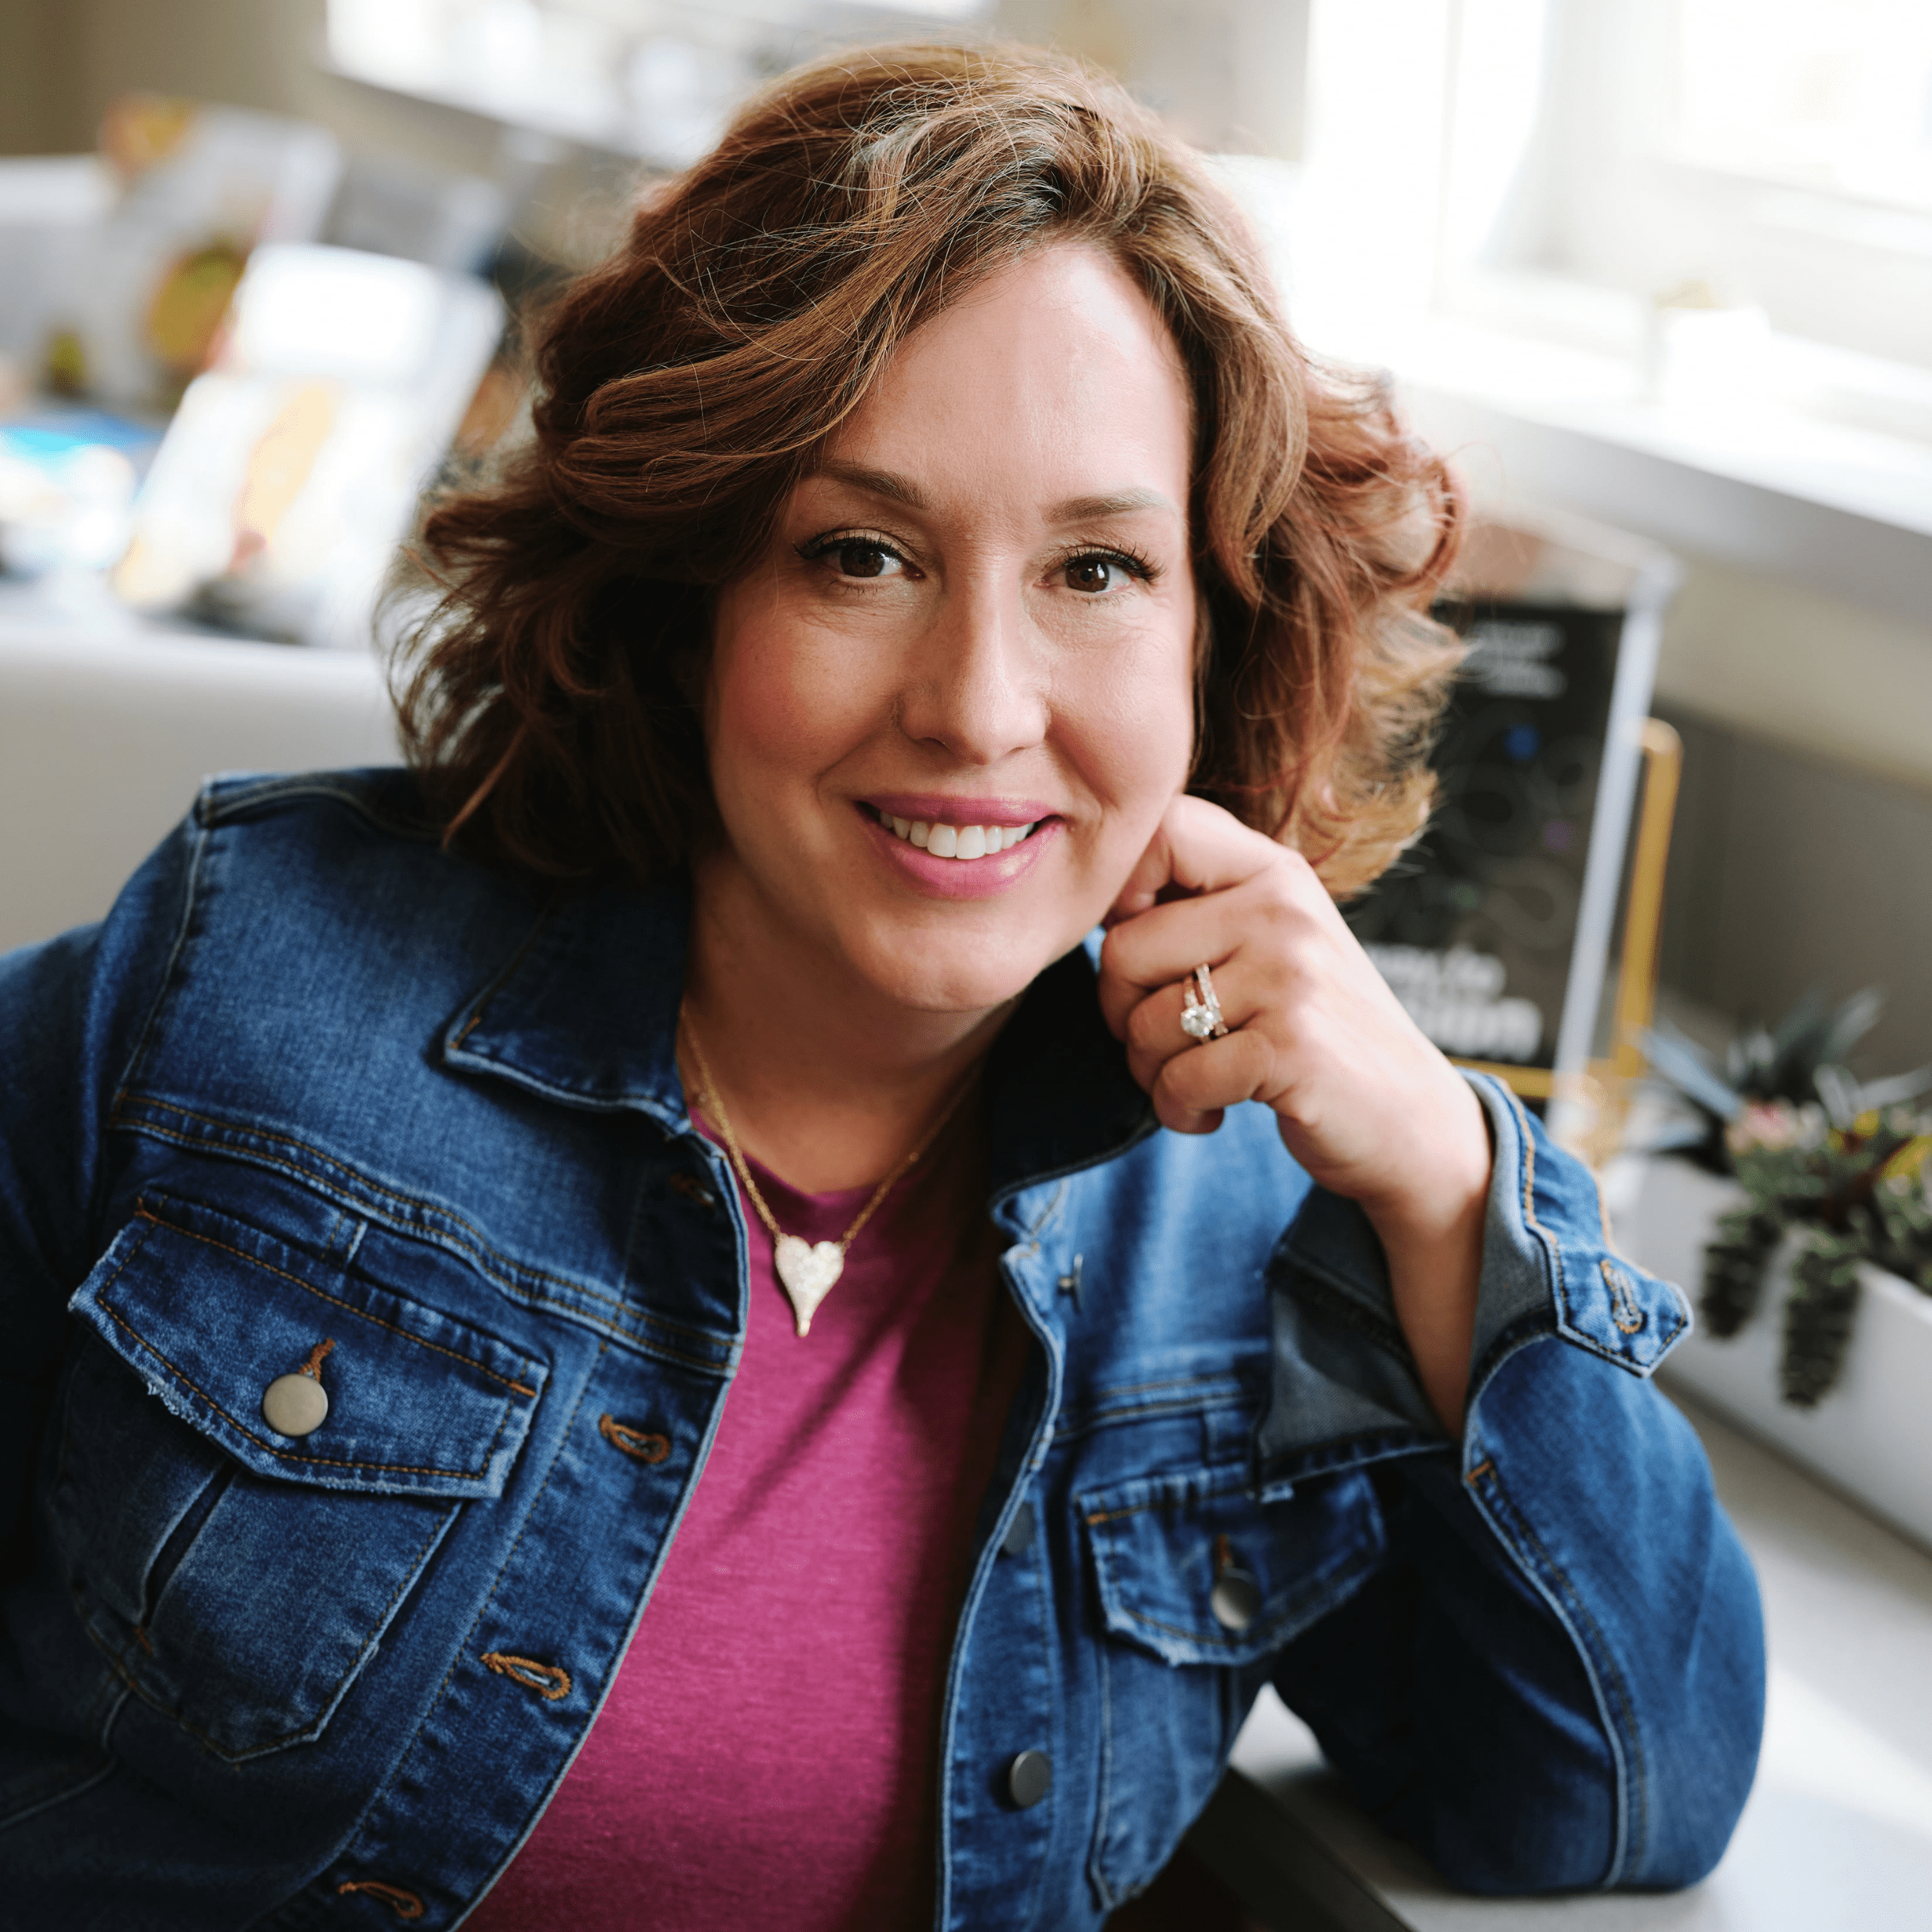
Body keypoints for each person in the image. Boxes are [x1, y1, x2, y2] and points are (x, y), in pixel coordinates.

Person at [0, 42, 1762, 1932]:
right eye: (861, 555)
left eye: (1094, 569)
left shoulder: (1254, 1216)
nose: (978, 707)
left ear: (1215, 639)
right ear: (691, 604)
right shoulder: (242, 980)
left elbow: (1610, 1793)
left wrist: (1442, 1184)